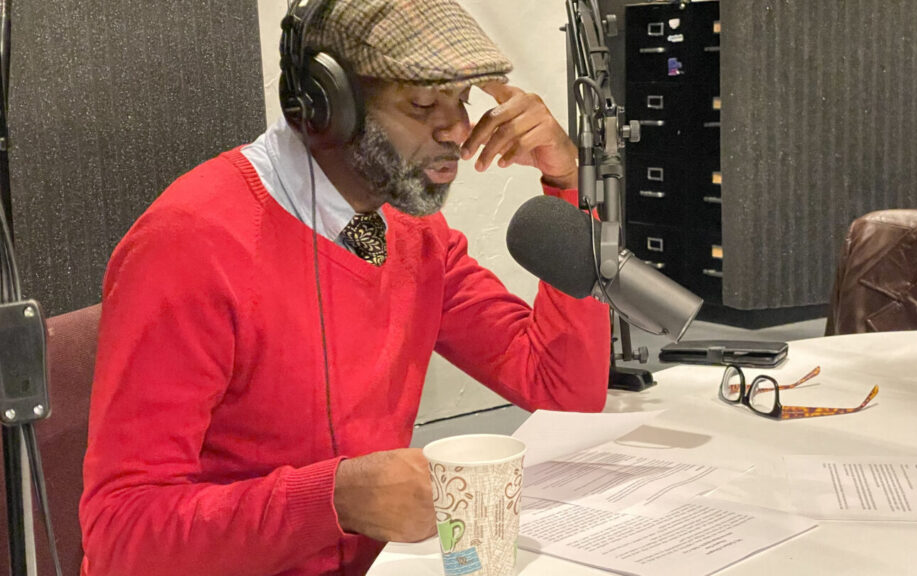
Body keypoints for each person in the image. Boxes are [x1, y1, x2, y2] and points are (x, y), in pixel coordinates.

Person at [78, 0, 610, 574]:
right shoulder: (188, 246)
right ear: (326, 104)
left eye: (462, 100)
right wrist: (336, 499)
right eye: (424, 104)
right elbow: (119, 538)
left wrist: (567, 181)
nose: (458, 131)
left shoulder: (413, 232)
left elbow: (563, 393)